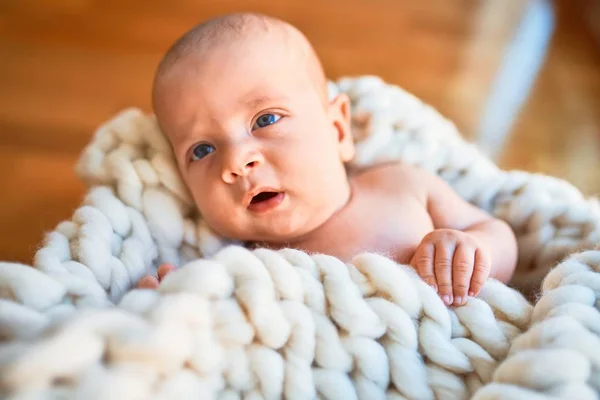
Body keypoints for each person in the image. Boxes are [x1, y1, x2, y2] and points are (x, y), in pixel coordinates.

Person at [137, 12, 518, 307]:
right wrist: (179, 299)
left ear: (337, 130)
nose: (237, 160)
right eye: (202, 149)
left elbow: (494, 230)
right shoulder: (242, 268)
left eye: (265, 119)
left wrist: (473, 251)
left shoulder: (402, 185)